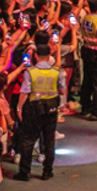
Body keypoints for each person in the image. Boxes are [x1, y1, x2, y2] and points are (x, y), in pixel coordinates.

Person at [14, 43, 66, 181]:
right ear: (49, 56)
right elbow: (61, 89)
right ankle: (47, 171)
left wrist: (19, 108)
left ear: (35, 56)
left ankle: (25, 172)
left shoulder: (30, 72)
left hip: (33, 109)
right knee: (49, 140)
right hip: (51, 109)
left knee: (28, 140)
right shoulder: (56, 71)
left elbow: (24, 92)